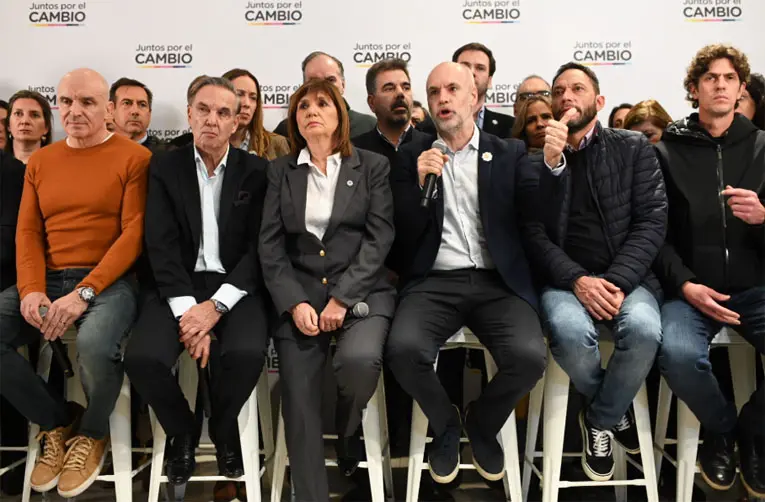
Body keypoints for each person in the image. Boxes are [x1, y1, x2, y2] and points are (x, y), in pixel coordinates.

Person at [385, 62, 546, 485]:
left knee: (529, 357)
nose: (442, 98)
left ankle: (482, 422)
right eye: (434, 91)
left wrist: (553, 165)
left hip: (497, 281)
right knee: (403, 350)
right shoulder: (411, 154)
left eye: (452, 89)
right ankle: (445, 424)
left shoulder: (509, 152)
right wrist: (418, 184)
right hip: (434, 282)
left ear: (474, 98)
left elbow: (535, 212)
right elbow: (399, 237)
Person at [0, 68, 151, 498]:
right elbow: (28, 232)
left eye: (87, 102)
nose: (74, 111)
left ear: (108, 109)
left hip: (110, 281)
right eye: (66, 101)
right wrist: (31, 288)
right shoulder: (42, 161)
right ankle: (57, 421)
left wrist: (85, 291)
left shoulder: (135, 158)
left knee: (95, 345)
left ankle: (92, 432)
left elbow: (133, 234)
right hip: (47, 279)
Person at [123, 76, 269, 490]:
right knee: (143, 359)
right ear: (189, 114)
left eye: (223, 113)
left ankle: (222, 427)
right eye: (203, 110)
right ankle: (183, 431)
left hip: (235, 287)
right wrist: (191, 314)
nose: (211, 120)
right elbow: (160, 244)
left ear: (236, 122)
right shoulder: (164, 167)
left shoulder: (258, 171)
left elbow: (259, 249)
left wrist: (215, 308)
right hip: (176, 285)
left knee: (246, 354)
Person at [524, 62, 667, 482]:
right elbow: (533, 233)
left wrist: (617, 281)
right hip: (565, 282)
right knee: (569, 334)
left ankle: (600, 416)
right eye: (558, 91)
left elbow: (652, 220)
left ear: (599, 101)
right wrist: (552, 165)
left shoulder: (633, 147)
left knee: (644, 331)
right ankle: (615, 410)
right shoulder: (532, 159)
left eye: (577, 89)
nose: (566, 97)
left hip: (627, 278)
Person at [259, 78, 395, 502]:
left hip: (362, 291)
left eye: (322, 104)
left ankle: (348, 431)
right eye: (303, 107)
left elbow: (379, 238)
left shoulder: (371, 166)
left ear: (341, 115)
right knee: (298, 398)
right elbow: (270, 245)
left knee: (358, 364)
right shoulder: (281, 171)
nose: (311, 112)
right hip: (300, 295)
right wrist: (293, 302)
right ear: (294, 120)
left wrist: (342, 298)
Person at [654, 44, 765, 499]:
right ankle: (720, 430)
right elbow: (654, 236)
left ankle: (751, 432)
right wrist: (685, 284)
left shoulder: (762, 146)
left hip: (755, 288)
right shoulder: (666, 152)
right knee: (678, 355)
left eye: (729, 78)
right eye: (710, 78)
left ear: (741, 89)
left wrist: (764, 218)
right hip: (691, 293)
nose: (720, 85)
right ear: (694, 88)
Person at [273, 52, 376, 139]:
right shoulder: (287, 129)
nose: (323, 87)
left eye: (330, 80)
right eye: (314, 81)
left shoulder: (368, 126)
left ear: (343, 85)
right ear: (304, 87)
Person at [353, 59, 427, 165]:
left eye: (406, 88)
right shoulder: (354, 151)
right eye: (389, 88)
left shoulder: (431, 146)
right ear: (372, 102)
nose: (400, 93)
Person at [222, 68, 290, 159]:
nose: (247, 104)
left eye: (253, 98)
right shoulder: (206, 142)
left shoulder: (276, 144)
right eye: (239, 94)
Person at [452, 42, 514, 137]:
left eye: (480, 68)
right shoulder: (433, 125)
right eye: (465, 66)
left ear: (489, 81)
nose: (471, 72)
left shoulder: (510, 127)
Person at [109, 77, 165, 152]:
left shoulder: (168, 154)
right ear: (111, 109)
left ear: (149, 113)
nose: (135, 111)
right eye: (126, 103)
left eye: (142, 105)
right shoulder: (96, 151)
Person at [4, 90, 53, 164]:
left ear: (46, 127)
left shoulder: (58, 166)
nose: (25, 121)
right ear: (8, 125)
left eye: (35, 115)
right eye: (18, 114)